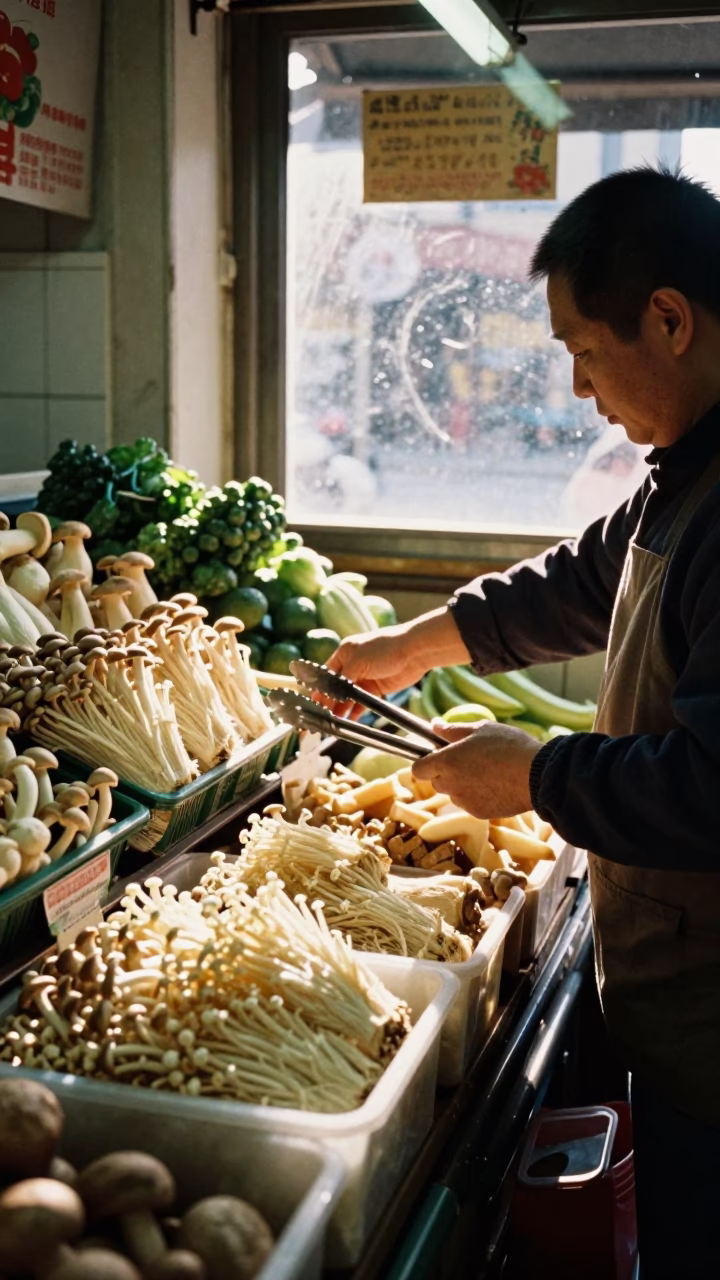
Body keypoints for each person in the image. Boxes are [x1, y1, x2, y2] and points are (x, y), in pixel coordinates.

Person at [327, 166, 720, 1279]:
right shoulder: (683, 475)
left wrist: (538, 775)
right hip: (677, 1004)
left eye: (583, 352)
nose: (583, 389)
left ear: (670, 318)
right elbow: (579, 583)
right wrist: (411, 647)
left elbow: (711, 783)